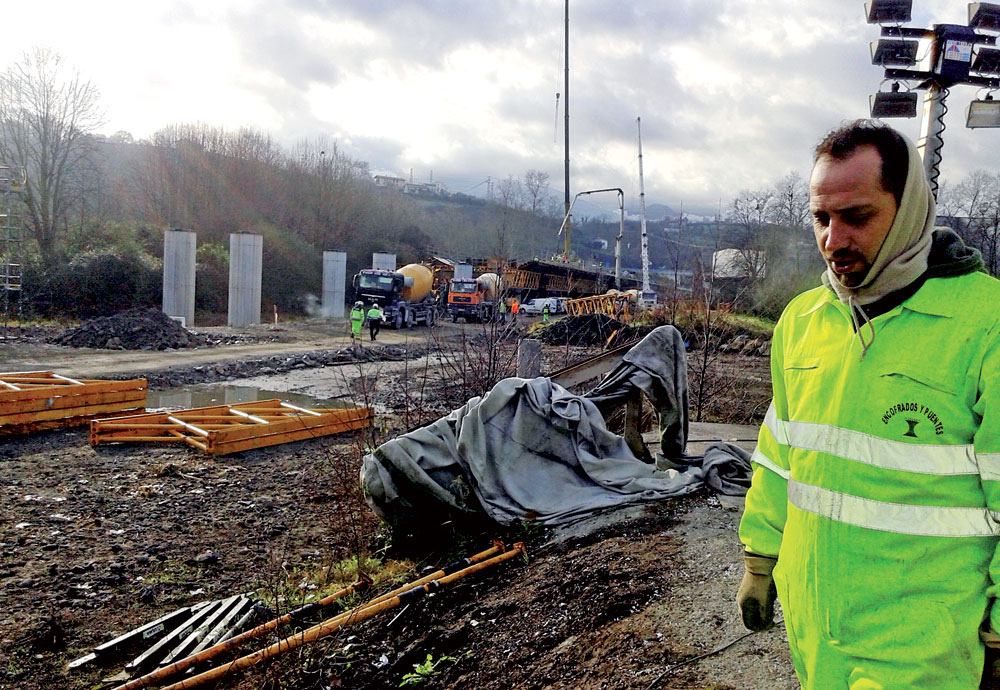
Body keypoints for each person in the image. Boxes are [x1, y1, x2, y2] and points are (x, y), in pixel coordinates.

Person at [737, 119, 1000, 689]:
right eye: (820, 218)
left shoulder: (986, 324)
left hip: (927, 650)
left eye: (856, 217)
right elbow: (780, 456)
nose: (833, 239)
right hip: (818, 638)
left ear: (906, 210)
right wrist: (760, 559)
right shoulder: (802, 323)